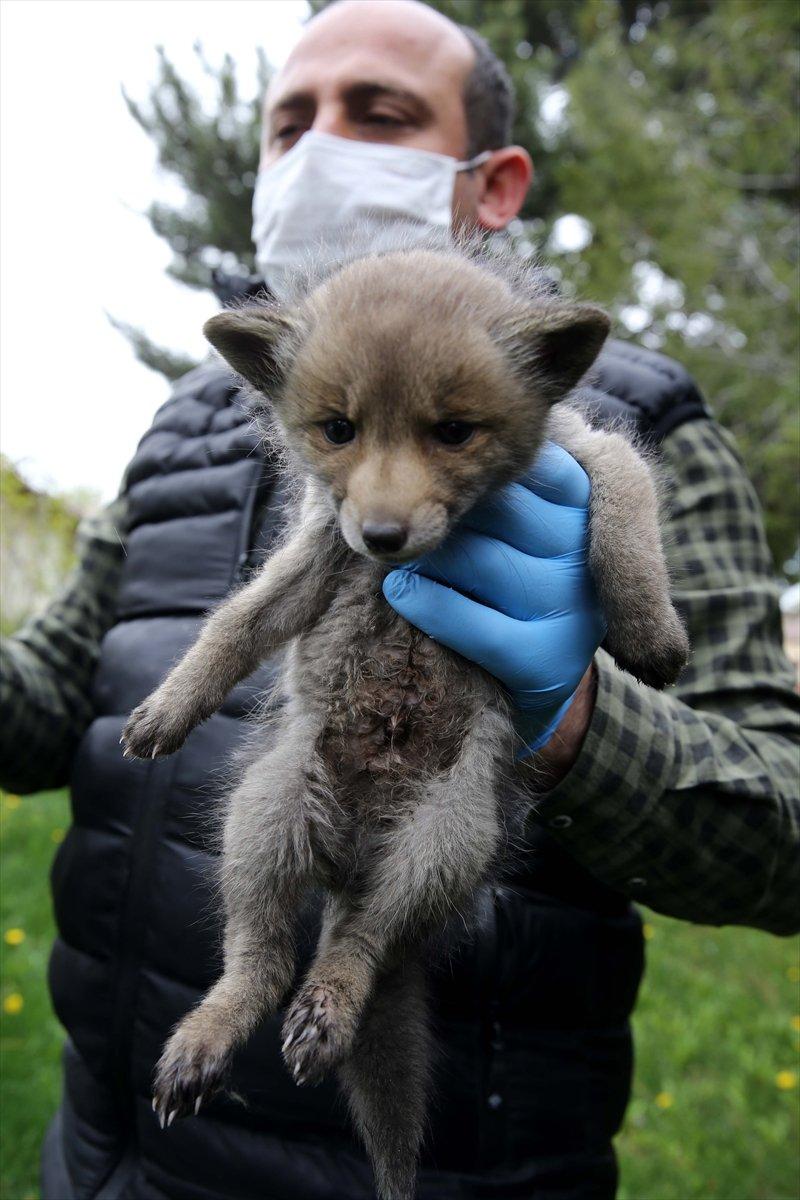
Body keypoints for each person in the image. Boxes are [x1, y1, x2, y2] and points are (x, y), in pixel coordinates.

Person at [1, 2, 797, 1197]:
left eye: (377, 116)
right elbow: (42, 706)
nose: (321, 148)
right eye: (288, 125)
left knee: (438, 842)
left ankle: (359, 958)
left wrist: (579, 727)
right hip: (116, 1156)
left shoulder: (631, 416)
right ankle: (249, 982)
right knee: (266, 809)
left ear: (495, 182)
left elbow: (782, 829)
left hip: (483, 1166)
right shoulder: (183, 426)